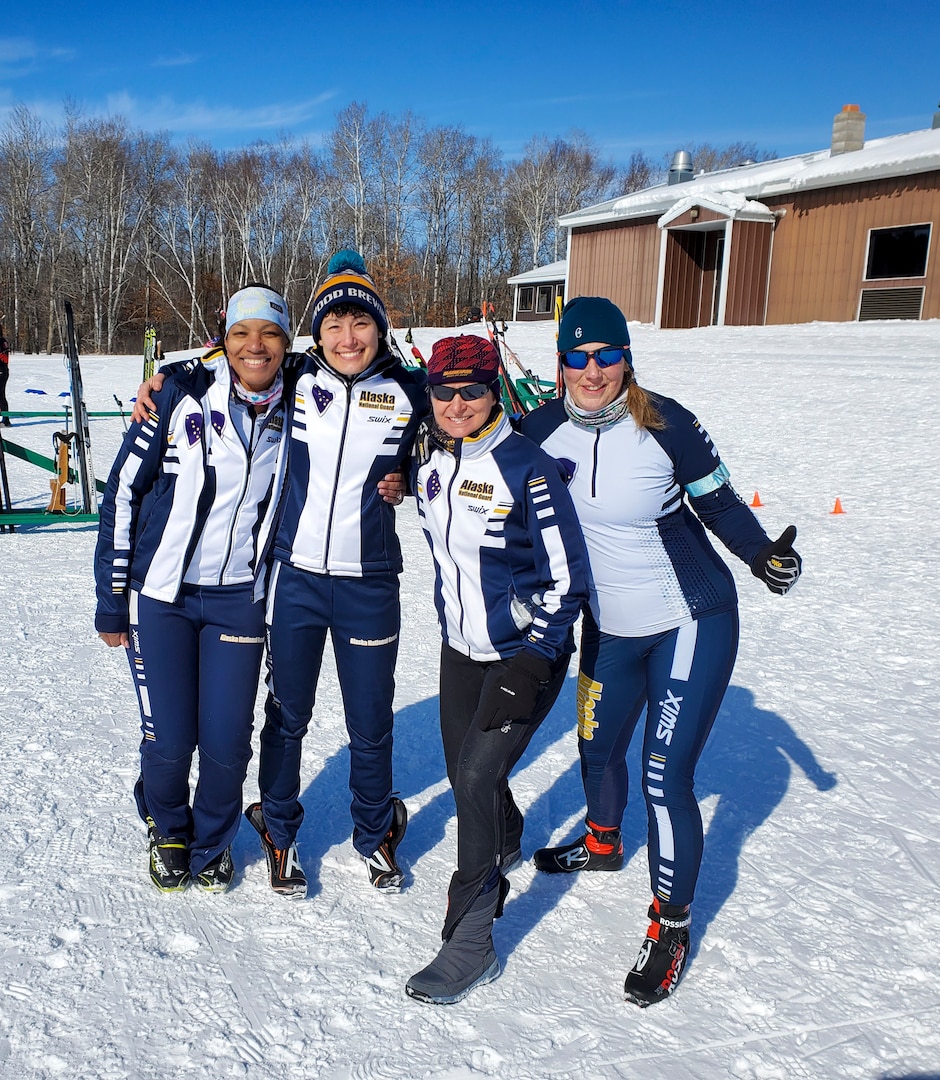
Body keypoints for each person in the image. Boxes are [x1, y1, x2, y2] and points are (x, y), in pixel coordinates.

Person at [518, 296, 802, 1007]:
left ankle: (669, 924)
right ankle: (604, 845)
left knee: (663, 776)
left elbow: (723, 505)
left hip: (689, 618)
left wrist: (763, 554)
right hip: (609, 628)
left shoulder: (666, 423)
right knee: (594, 746)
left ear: (626, 359)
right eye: (578, 357)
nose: (592, 370)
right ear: (560, 363)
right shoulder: (538, 429)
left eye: (606, 356)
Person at [135, 251, 428, 896]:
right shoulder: (297, 379)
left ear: (379, 327)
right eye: (334, 325)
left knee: (370, 721)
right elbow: (237, 355)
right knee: (287, 713)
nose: (347, 339)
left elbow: (478, 421)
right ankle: (280, 828)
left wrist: (406, 478)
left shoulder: (412, 393)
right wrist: (166, 379)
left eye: (360, 324)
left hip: (370, 580)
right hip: (293, 578)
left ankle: (375, 835)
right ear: (316, 333)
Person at [404, 335, 591, 1005]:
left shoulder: (529, 470)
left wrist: (535, 660)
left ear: (495, 393)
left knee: (477, 778)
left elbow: (569, 582)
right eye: (443, 391)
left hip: (524, 655)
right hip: (462, 649)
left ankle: (472, 941)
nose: (456, 403)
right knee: (463, 773)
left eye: (472, 390)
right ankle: (507, 839)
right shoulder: (430, 462)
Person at [94, 284, 291, 893]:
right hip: (163, 598)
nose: (255, 346)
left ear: (288, 343)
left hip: (238, 597)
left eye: (270, 334)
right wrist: (112, 596)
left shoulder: (305, 403)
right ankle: (169, 829)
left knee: (228, 741)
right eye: (241, 333)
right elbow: (122, 492)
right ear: (222, 340)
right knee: (171, 738)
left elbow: (370, 378)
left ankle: (213, 838)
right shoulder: (180, 396)